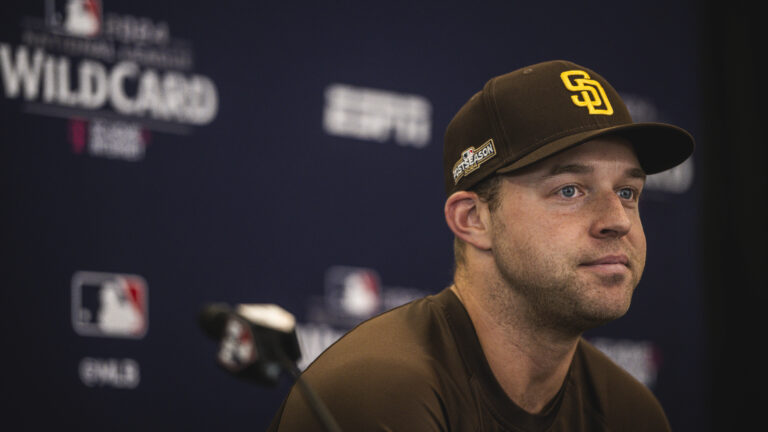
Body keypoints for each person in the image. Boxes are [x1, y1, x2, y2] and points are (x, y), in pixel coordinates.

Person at [267, 60, 694, 431]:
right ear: (472, 219)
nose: (618, 221)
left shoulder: (631, 412)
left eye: (627, 193)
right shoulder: (378, 392)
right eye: (569, 191)